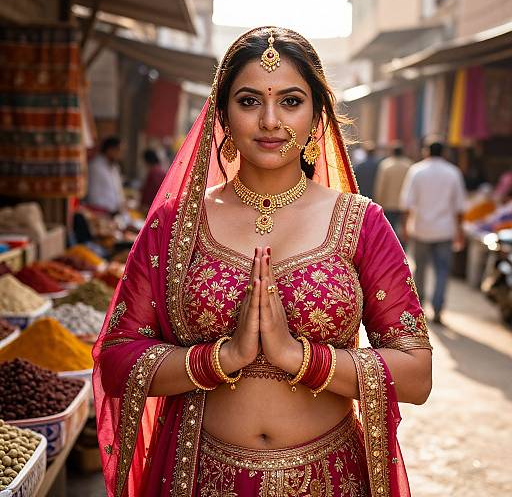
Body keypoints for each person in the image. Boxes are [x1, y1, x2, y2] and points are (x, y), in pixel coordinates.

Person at [93, 27, 432, 497]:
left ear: (317, 116)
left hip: (331, 479)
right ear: (223, 117)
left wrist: (300, 358)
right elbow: (115, 359)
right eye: (250, 101)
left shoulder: (361, 222)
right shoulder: (176, 224)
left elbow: (416, 374)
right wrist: (220, 357)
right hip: (199, 475)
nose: (270, 120)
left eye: (291, 101)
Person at [401, 140, 466, 325]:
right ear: (444, 153)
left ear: (426, 151)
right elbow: (459, 207)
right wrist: (460, 231)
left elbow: (407, 203)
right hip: (445, 231)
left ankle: (419, 308)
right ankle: (438, 308)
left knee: (419, 269)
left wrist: (405, 226)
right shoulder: (453, 172)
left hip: (421, 229)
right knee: (442, 271)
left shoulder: (417, 171)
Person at [374, 142, 412, 239]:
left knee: (390, 229)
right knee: (404, 228)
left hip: (389, 203)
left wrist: (378, 202)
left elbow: (381, 186)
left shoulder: (386, 165)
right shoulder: (409, 165)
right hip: (405, 204)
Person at [87, 136, 125, 214]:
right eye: (118, 150)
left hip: (114, 212)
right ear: (110, 150)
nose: (120, 155)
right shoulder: (96, 166)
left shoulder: (114, 167)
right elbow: (95, 196)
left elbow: (117, 192)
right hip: (100, 212)